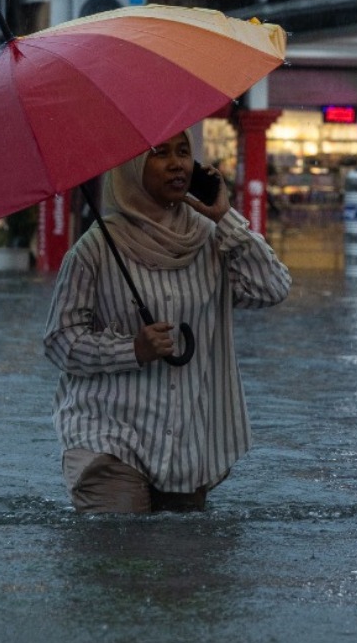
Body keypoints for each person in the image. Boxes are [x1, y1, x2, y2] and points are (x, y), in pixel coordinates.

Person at [43, 127, 290, 515]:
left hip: (186, 442)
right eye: (160, 153)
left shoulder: (212, 239)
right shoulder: (95, 249)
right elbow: (60, 340)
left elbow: (271, 289)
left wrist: (226, 218)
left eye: (183, 151)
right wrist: (131, 349)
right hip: (107, 438)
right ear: (131, 168)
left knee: (182, 567)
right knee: (123, 551)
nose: (177, 164)